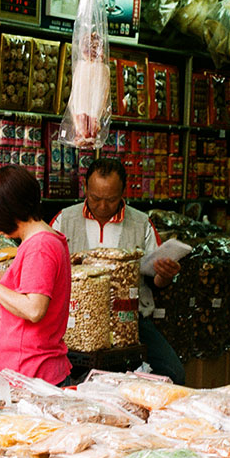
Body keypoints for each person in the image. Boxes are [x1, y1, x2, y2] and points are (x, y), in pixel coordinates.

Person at [50, 158, 185, 384]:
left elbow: (156, 281)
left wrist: (165, 274)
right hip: (74, 321)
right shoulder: (64, 220)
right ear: (85, 189)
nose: (103, 206)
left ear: (123, 192)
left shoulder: (141, 223)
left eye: (111, 200)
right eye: (95, 198)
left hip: (130, 321)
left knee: (172, 372)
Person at [0, 166, 73, 385]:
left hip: (32, 373)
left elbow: (33, 308)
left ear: (10, 210)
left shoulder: (40, 246)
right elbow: (27, 283)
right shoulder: (42, 240)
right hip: (27, 372)